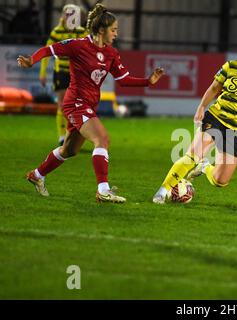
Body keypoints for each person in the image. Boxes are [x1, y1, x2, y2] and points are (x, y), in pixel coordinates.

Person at [18, 3, 165, 203]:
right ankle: (103, 190)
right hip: (75, 102)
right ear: (101, 30)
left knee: (69, 150)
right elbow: (49, 50)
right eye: (113, 30)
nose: (116, 34)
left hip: (89, 104)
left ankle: (37, 175)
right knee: (102, 139)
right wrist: (31, 61)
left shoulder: (111, 53)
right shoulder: (78, 45)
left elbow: (124, 80)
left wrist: (149, 81)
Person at [152, 35, 237, 204]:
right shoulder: (231, 66)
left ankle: (205, 166)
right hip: (216, 118)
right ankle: (162, 192)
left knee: (221, 181)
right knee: (191, 156)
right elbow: (214, 88)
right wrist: (201, 107)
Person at [40, 4, 89, 146]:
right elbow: (46, 52)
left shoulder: (81, 32)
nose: (70, 17)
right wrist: (42, 73)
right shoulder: (57, 32)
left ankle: (71, 135)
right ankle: (62, 137)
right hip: (61, 72)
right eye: (68, 14)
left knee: (75, 106)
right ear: (63, 15)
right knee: (62, 104)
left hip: (77, 74)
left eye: (73, 14)